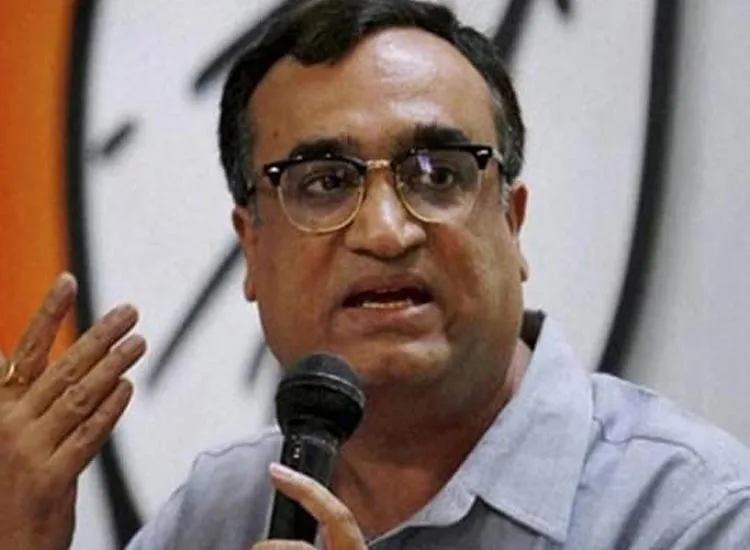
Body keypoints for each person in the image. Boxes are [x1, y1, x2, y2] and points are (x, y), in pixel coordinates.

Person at [2, 0, 750, 548]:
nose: (387, 232)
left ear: (512, 223)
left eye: (439, 174)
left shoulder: (690, 514)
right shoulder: (217, 516)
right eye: (325, 182)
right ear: (252, 249)